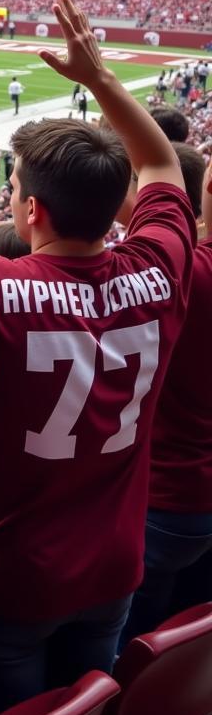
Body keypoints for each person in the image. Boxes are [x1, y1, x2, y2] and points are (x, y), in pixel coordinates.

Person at [0, 0, 195, 715]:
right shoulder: (161, 265)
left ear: (32, 212)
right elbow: (159, 159)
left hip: (12, 574)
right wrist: (101, 81)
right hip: (114, 559)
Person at [120, 147, 212, 644]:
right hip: (198, 491)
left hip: (164, 498)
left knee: (133, 650)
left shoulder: (181, 276)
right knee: (189, 635)